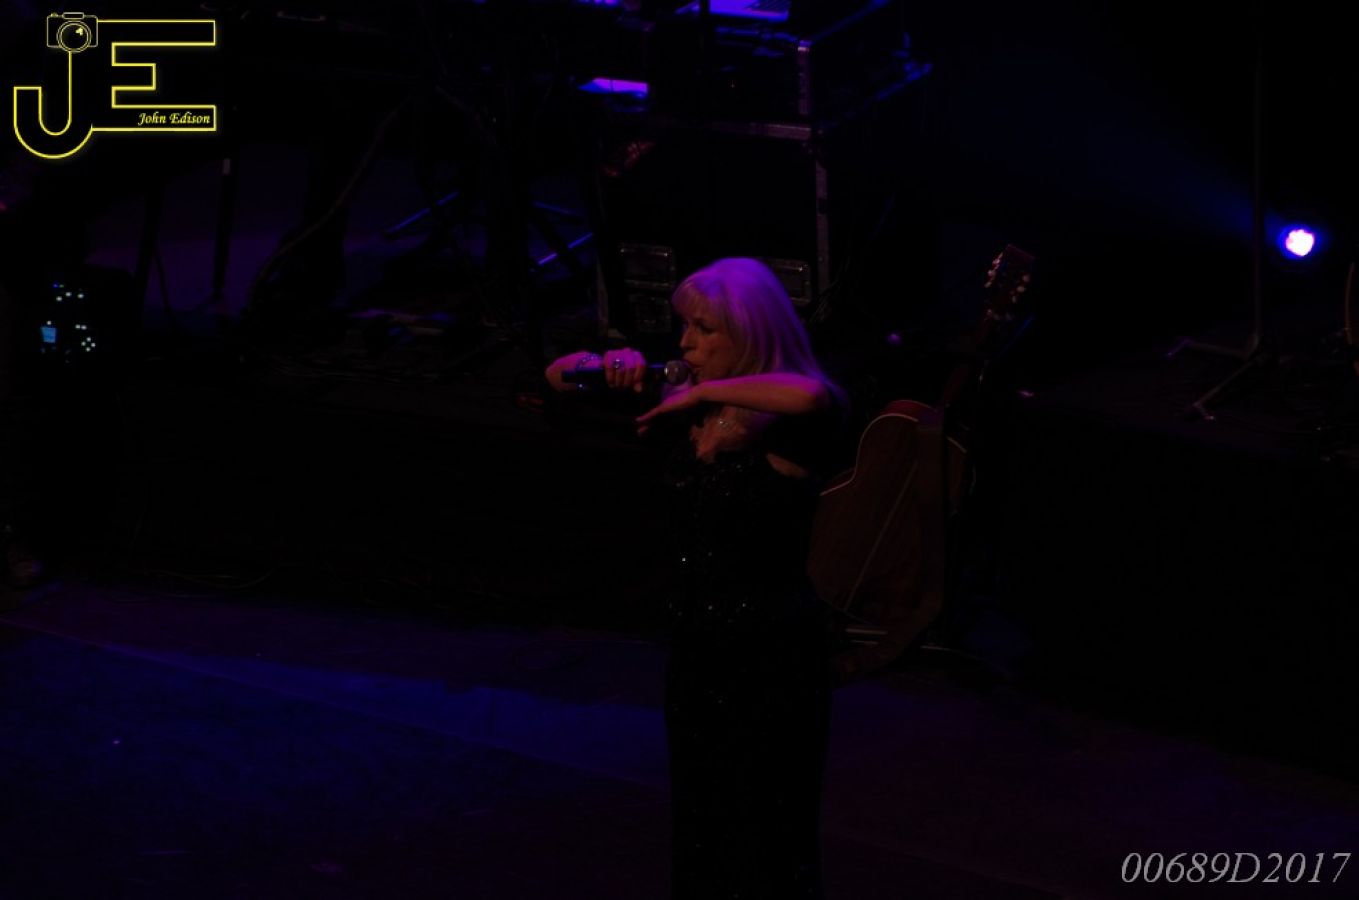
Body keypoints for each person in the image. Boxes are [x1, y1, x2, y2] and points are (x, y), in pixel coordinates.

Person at [546, 257, 845, 899]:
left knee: (765, 826)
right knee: (703, 819)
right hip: (697, 647)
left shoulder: (784, 416)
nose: (685, 344)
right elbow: (555, 376)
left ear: (750, 335)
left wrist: (704, 394)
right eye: (684, 327)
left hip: (771, 652)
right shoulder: (683, 400)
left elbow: (812, 394)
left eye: (704, 330)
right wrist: (609, 364)